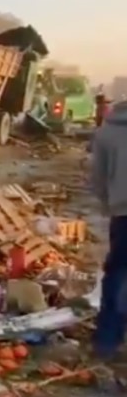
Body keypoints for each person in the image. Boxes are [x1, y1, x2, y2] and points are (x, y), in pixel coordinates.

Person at [91, 100, 127, 360]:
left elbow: (97, 180)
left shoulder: (107, 130)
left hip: (123, 214)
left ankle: (107, 341)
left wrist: (110, 205)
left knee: (116, 274)